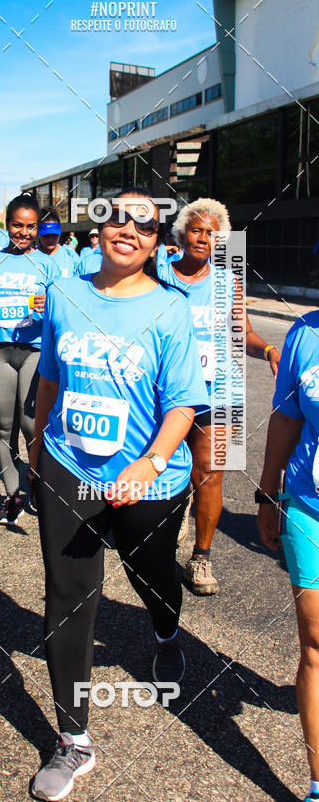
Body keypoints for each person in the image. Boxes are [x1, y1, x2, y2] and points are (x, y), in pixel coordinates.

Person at [29, 189, 208, 800]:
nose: (128, 229)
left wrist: (150, 463)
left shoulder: (171, 310)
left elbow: (184, 402)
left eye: (145, 224)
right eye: (116, 217)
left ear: (158, 242)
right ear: (97, 226)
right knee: (69, 591)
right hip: (67, 464)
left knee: (152, 575)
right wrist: (35, 446)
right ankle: (73, 740)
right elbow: (50, 374)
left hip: (148, 477)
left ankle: (164, 632)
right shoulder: (66, 294)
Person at [157, 197, 281, 595]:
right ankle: (161, 532)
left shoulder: (229, 282)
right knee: (164, 470)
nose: (203, 238)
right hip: (166, 392)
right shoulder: (158, 275)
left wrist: (267, 350)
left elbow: (241, 333)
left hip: (218, 391)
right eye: (196, 229)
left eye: (213, 233)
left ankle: (201, 558)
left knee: (210, 474)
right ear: (182, 233)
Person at [257, 310, 319, 802]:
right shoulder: (304, 333)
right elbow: (286, 418)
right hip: (308, 504)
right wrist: (267, 492)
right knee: (316, 644)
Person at [0, 192, 60, 527]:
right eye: (16, 226)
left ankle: (37, 485)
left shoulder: (48, 264)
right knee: (5, 426)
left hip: (35, 351)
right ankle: (12, 498)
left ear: (37, 228)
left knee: (30, 425)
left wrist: (47, 307)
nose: (23, 233)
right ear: (6, 225)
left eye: (30, 227)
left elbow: (62, 313)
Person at [37, 207, 79, 277]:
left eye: (54, 235)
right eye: (46, 235)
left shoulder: (72, 256)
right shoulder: (30, 257)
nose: (50, 239)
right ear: (38, 234)